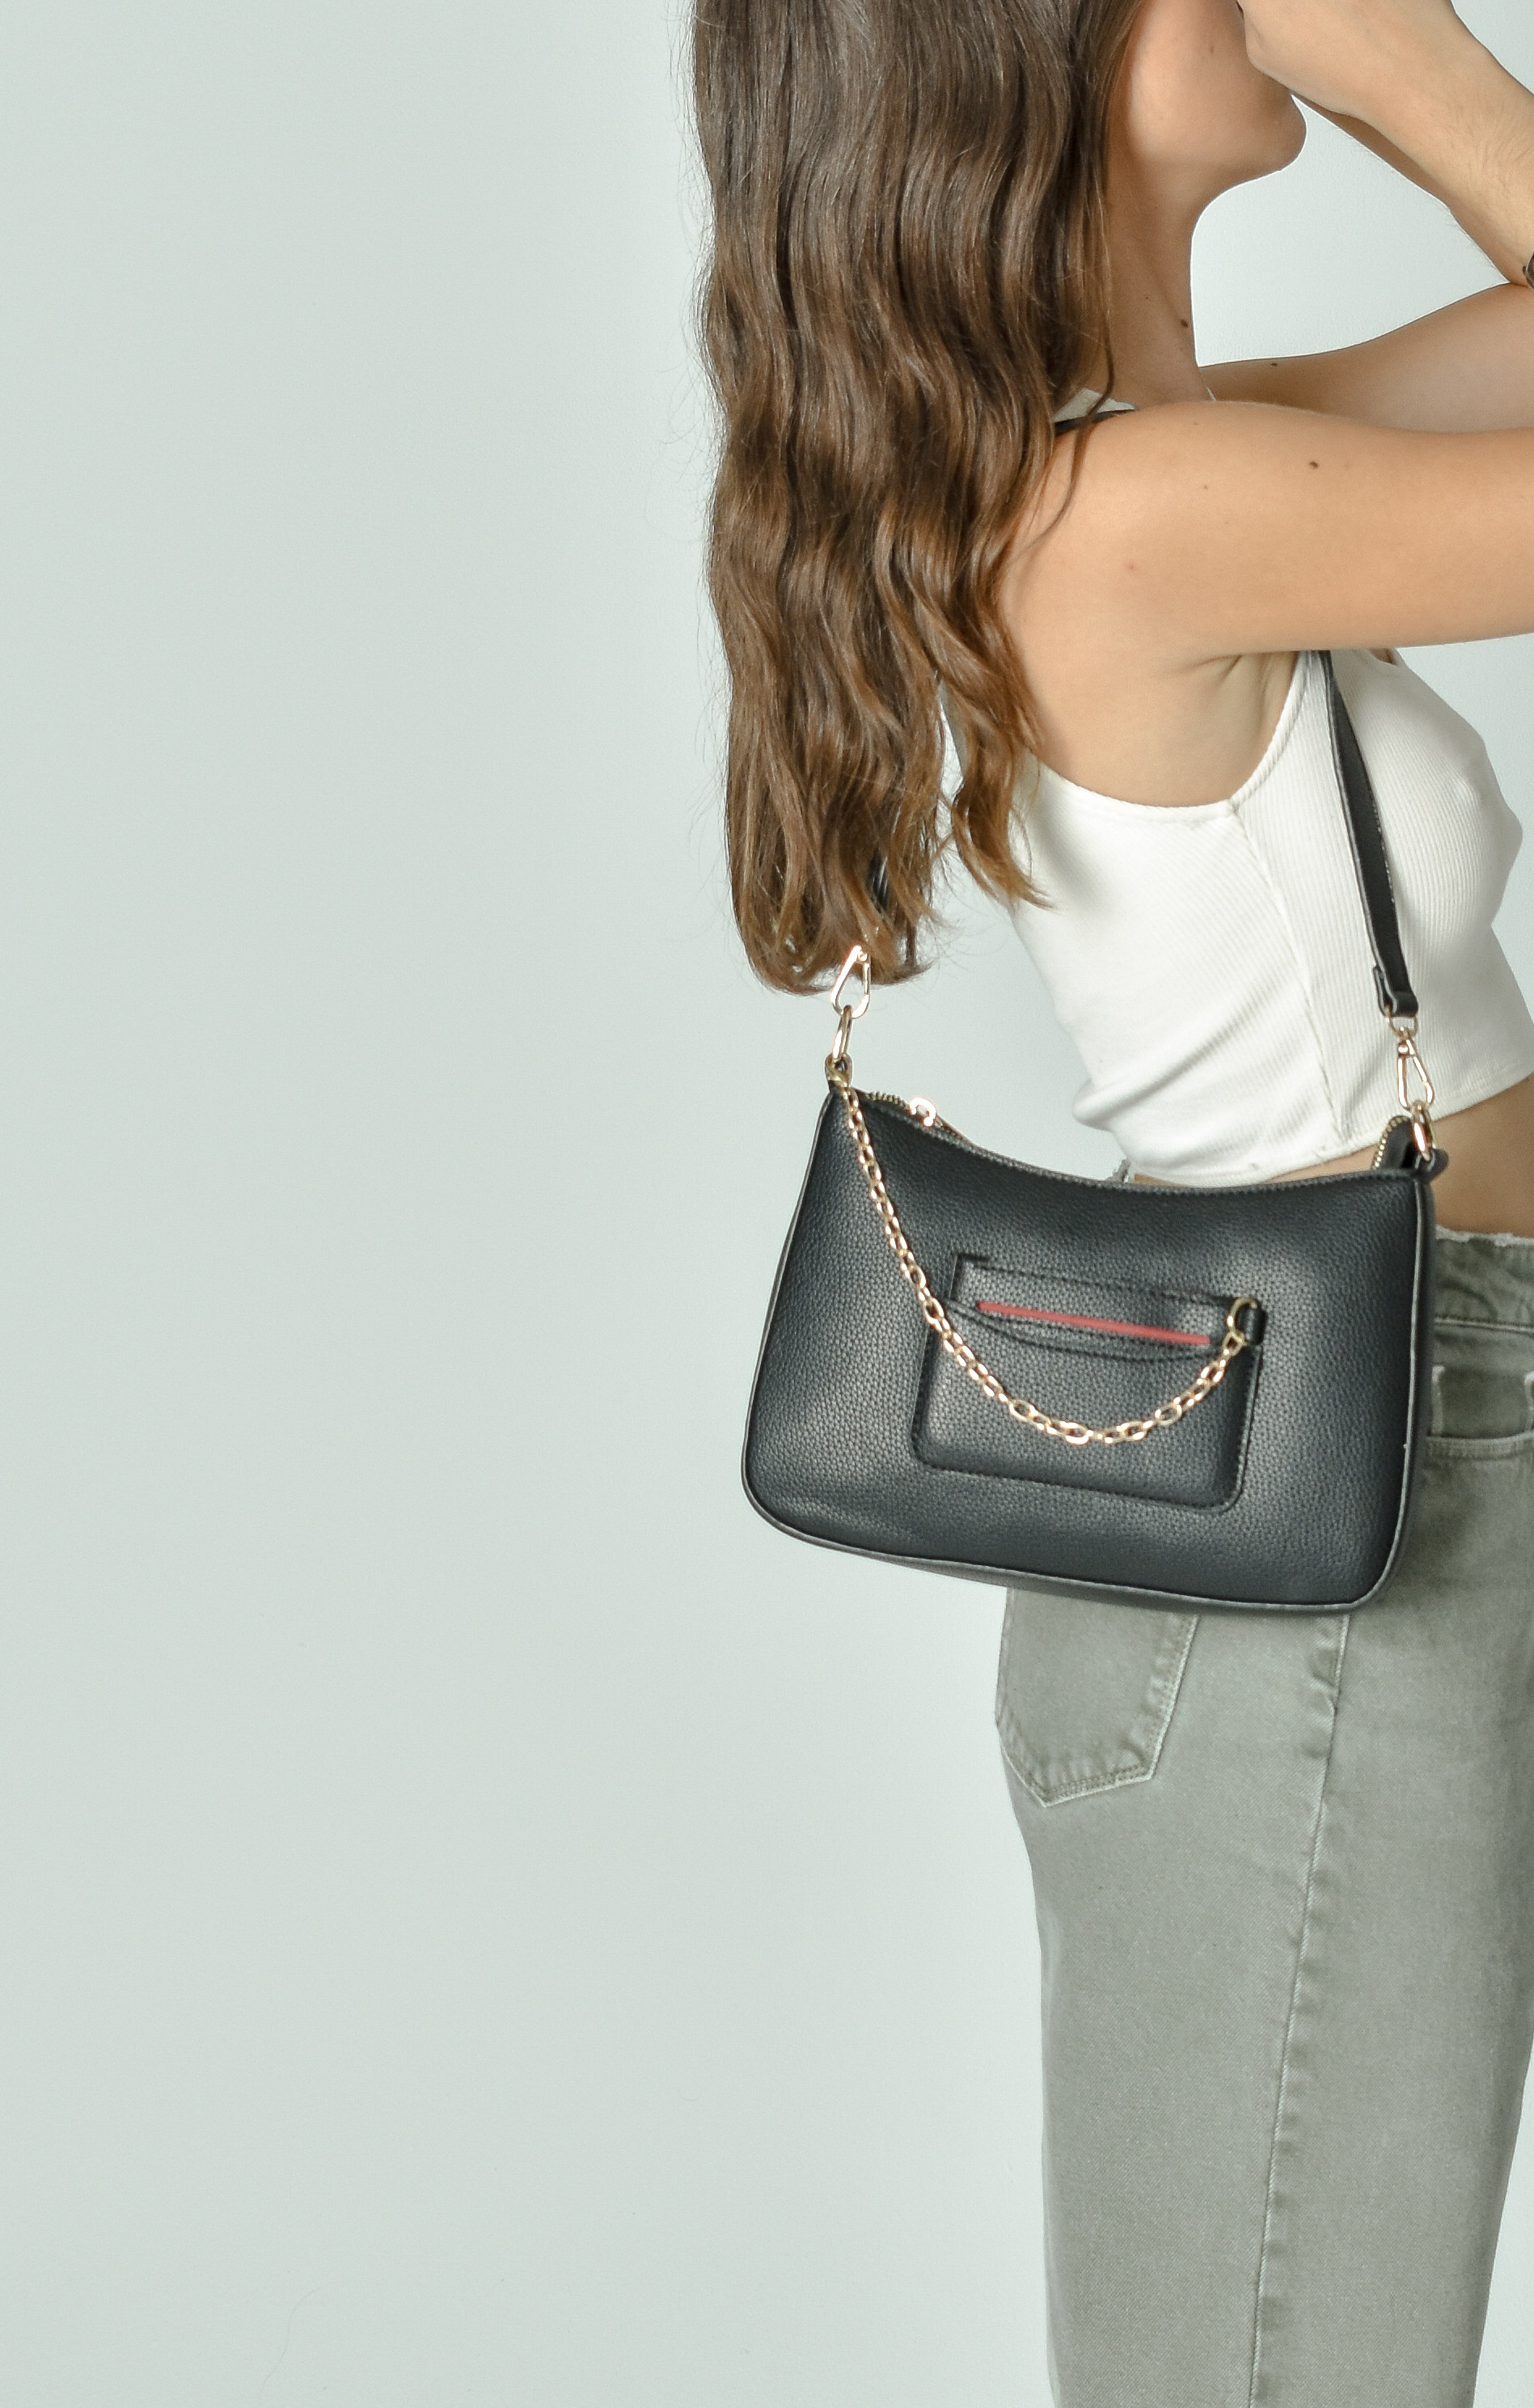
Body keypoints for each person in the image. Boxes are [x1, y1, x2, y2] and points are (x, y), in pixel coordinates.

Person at [693, 0, 1534, 2398]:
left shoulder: (1169, 464)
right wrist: (1416, 77)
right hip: (1339, 1519)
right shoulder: (1137, 518)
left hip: (1415, 1465)